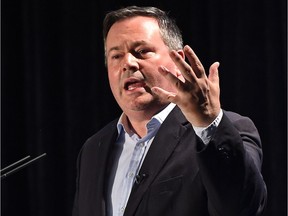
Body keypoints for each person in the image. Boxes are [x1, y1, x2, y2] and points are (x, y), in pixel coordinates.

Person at [72, 5, 267, 216]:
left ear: (178, 60)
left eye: (141, 51)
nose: (128, 63)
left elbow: (242, 207)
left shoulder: (229, 130)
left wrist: (207, 123)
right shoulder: (93, 149)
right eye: (116, 56)